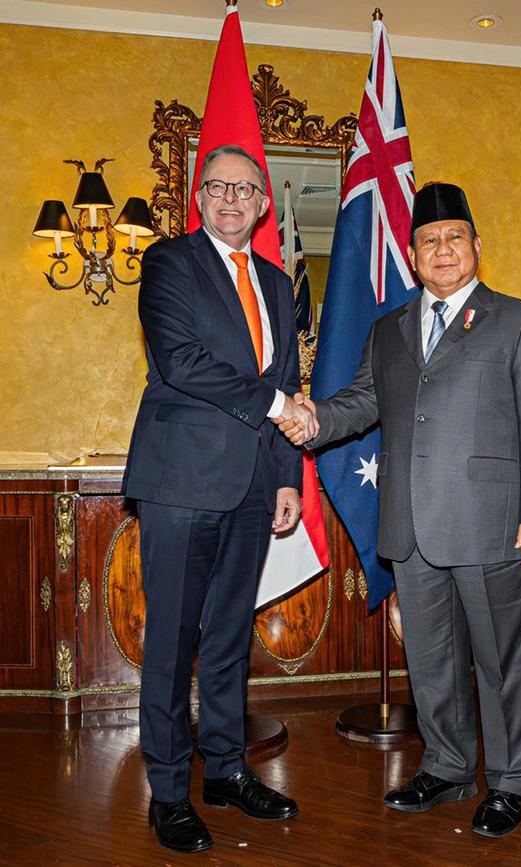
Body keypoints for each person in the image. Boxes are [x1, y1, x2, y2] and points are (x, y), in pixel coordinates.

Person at [276, 182, 521, 838]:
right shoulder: (390, 330)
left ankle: (512, 780)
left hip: (498, 525)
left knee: (502, 663)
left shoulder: (520, 320)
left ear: (477, 248)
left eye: (454, 237)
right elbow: (359, 402)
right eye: (430, 240)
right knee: (431, 663)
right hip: (411, 528)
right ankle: (448, 764)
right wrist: (313, 416)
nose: (443, 250)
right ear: (411, 257)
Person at [123, 144, 316, 854]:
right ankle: (169, 791)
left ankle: (227, 769)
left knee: (231, 637)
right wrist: (276, 407)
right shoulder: (170, 263)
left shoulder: (273, 279)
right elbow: (183, 362)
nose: (231, 198)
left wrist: (287, 476)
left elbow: (287, 379)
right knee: (173, 643)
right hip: (179, 481)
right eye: (217, 186)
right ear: (198, 198)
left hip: (249, 490)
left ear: (264, 204)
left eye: (245, 188)